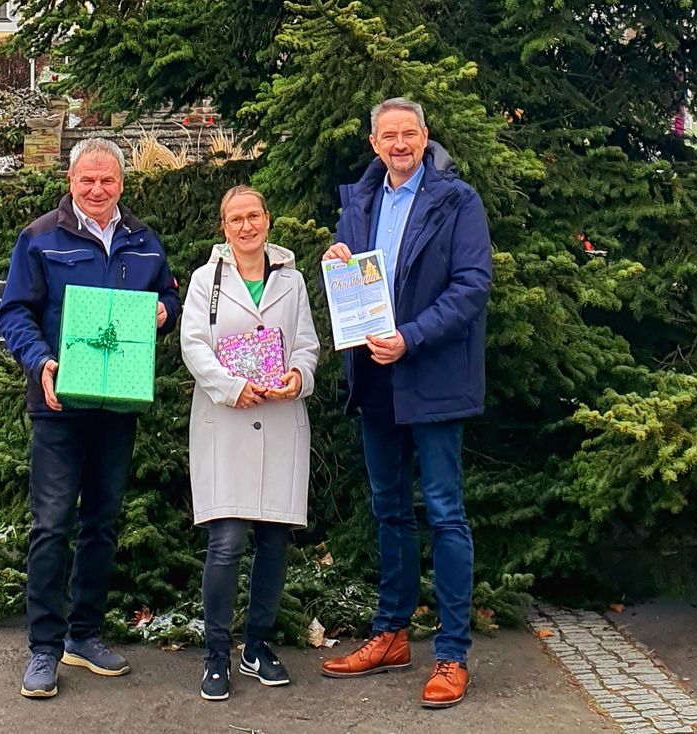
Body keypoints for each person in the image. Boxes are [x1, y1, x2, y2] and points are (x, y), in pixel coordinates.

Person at [320, 98, 492, 709]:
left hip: (434, 375)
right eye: (387, 135)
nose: (398, 144)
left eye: (408, 134)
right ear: (373, 142)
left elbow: (472, 285)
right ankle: (391, 633)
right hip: (375, 377)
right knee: (388, 509)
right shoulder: (360, 200)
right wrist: (337, 258)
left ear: (424, 138)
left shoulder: (457, 199)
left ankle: (451, 654)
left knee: (444, 512)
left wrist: (411, 338)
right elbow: (351, 271)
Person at [0, 137, 180, 701]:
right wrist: (40, 362)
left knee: (102, 522)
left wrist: (164, 313)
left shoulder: (144, 241)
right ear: (71, 181)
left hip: (118, 405)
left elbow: (168, 295)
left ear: (122, 183)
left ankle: (85, 634)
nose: (97, 190)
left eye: (108, 181)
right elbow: (15, 312)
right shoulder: (40, 238)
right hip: (58, 404)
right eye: (87, 181)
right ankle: (44, 649)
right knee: (52, 525)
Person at [179, 185, 321, 702]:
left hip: (280, 420)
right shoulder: (205, 281)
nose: (246, 226)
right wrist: (232, 388)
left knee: (275, 542)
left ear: (267, 220)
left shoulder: (293, 281)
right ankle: (216, 652)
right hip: (227, 423)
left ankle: (256, 646)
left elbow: (307, 345)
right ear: (224, 227)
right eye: (235, 218)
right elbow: (193, 345)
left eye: (253, 216)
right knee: (226, 543)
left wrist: (297, 377)